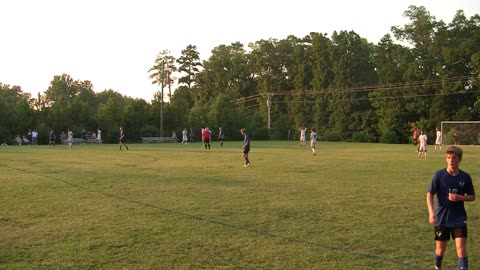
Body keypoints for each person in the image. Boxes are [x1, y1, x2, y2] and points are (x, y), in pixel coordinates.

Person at [427, 146, 475, 270]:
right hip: (442, 218)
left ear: (459, 159)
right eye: (448, 158)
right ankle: (437, 265)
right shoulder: (438, 175)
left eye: (454, 158)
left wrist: (460, 197)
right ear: (446, 159)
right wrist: (431, 213)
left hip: (459, 218)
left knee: (461, 249)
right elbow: (430, 194)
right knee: (440, 249)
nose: (451, 160)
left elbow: (472, 196)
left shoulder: (465, 177)